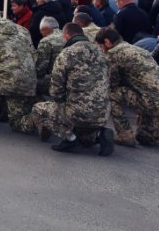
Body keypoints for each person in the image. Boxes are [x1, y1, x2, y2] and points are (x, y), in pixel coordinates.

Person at [96, 28, 159, 153]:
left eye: (101, 46)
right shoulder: (135, 49)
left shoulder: (113, 54)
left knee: (111, 95)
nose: (102, 50)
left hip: (153, 102)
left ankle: (125, 135)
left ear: (107, 42)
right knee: (144, 137)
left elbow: (112, 83)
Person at [31, 23, 114, 155]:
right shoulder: (100, 51)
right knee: (83, 123)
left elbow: (56, 91)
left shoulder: (67, 53)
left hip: (78, 113)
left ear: (66, 36)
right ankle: (100, 134)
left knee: (38, 109)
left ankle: (71, 139)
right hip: (103, 112)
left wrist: (62, 103)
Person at [34, 16, 65, 98]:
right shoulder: (67, 36)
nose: (41, 34)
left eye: (41, 31)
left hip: (56, 79)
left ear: (46, 29)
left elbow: (40, 68)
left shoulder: (46, 41)